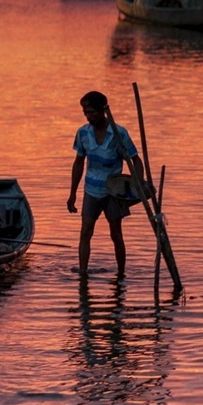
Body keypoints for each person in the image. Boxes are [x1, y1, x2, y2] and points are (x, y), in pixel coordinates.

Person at [67, 91, 147, 278]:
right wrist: (72, 193)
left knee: (116, 234)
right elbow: (78, 163)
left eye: (92, 112)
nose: (89, 116)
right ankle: (83, 273)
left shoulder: (119, 134)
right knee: (86, 230)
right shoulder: (83, 133)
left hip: (114, 190)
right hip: (91, 189)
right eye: (85, 112)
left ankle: (121, 274)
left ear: (103, 111)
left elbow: (135, 160)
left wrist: (138, 184)